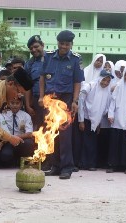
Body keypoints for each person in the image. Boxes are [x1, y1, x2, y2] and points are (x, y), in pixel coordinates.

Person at [39, 30, 85, 179]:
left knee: (65, 135)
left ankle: (67, 167)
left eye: (67, 44)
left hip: (65, 100)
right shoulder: (48, 56)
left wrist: (75, 101)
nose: (64, 46)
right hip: (50, 100)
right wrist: (41, 97)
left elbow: (77, 82)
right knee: (52, 133)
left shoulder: (76, 59)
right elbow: (42, 78)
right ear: (57, 43)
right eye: (62, 43)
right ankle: (55, 165)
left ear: (71, 44)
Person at [0, 97, 34, 168]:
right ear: (8, 104)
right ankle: (6, 161)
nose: (15, 105)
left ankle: (23, 160)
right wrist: (5, 141)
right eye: (12, 103)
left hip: (21, 141)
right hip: (7, 141)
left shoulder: (26, 116)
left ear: (21, 104)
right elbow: (1, 132)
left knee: (29, 143)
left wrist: (14, 138)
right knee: (5, 155)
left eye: (17, 103)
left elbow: (29, 134)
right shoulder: (3, 115)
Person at [78, 69, 113, 170]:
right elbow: (81, 102)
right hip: (85, 118)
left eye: (108, 81)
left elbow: (104, 109)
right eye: (104, 80)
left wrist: (99, 123)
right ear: (100, 78)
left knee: (92, 142)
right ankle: (83, 163)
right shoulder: (90, 86)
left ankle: (91, 164)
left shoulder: (107, 92)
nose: (105, 83)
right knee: (84, 142)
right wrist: (81, 120)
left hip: (96, 121)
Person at [24, 35, 46, 131]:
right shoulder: (29, 63)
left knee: (54, 128)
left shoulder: (52, 59)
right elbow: (27, 86)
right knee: (39, 128)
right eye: (31, 48)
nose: (33, 50)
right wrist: (28, 105)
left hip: (52, 99)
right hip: (37, 101)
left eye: (36, 46)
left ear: (42, 45)